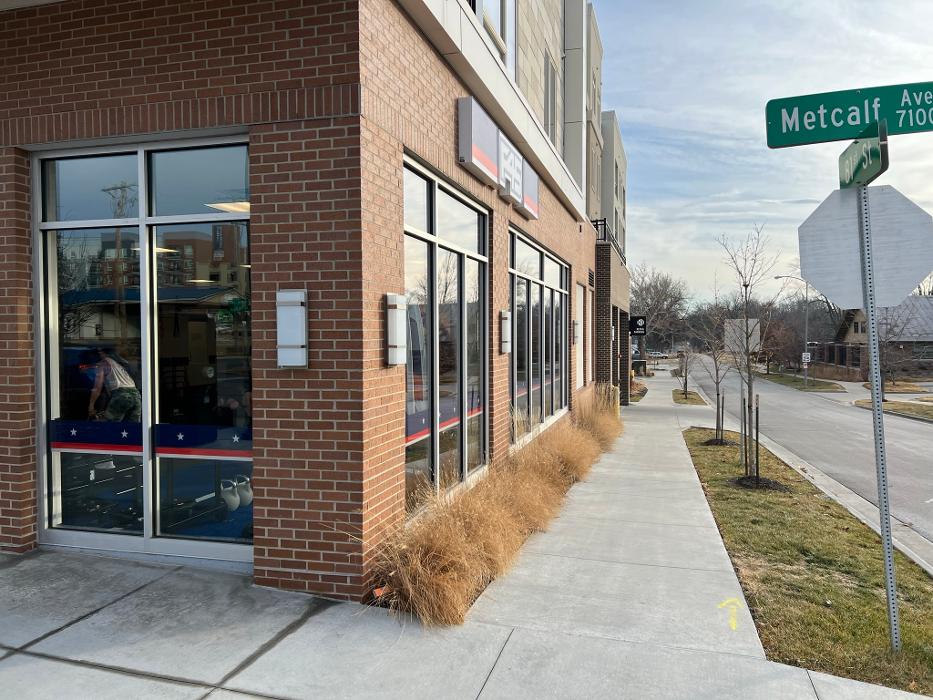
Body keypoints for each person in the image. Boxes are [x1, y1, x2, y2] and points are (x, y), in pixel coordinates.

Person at [88, 347, 141, 422]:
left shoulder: (103, 364)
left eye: (99, 352)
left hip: (122, 395)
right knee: (132, 427)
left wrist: (91, 406)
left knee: (109, 425)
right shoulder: (120, 364)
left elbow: (97, 387)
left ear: (102, 353)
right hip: (136, 395)